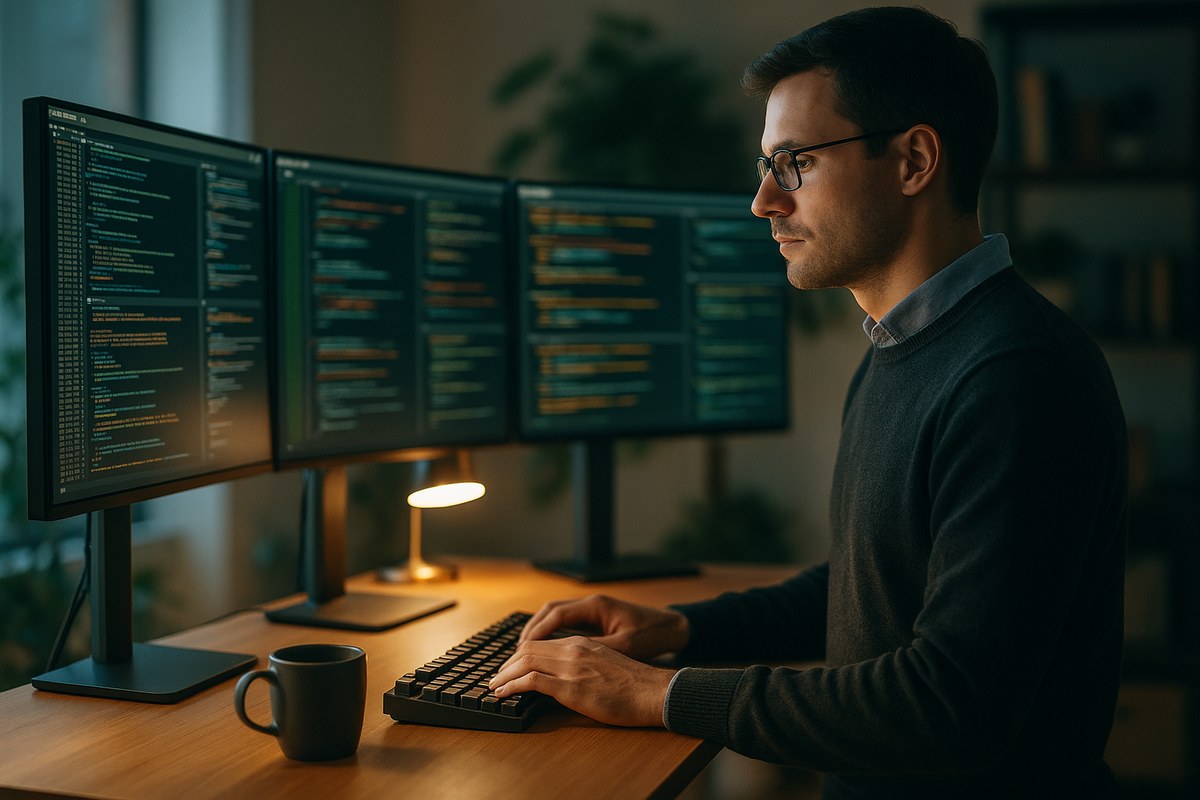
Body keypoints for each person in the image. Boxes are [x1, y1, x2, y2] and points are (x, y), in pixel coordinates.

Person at [489, 6, 1129, 797]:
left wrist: (653, 694)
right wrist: (683, 630)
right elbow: (877, 583)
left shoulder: (1017, 377)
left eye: (794, 163)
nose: (764, 201)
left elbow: (951, 705)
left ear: (914, 160)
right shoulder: (904, 348)